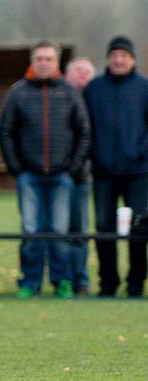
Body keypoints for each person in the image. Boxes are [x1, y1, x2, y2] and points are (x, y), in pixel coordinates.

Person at [0, 40, 90, 299]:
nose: (44, 63)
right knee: (31, 231)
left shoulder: (70, 92)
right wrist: (17, 167)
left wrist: (72, 168)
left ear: (57, 62)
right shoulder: (18, 92)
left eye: (49, 59)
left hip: (62, 176)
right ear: (32, 61)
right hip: (29, 176)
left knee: (60, 232)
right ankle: (30, 281)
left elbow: (84, 132)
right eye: (39, 58)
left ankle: (62, 281)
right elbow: (5, 132)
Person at [84, 36, 148, 297]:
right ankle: (108, 283)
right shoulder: (94, 88)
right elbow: (85, 127)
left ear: (132, 58)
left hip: (138, 173)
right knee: (104, 229)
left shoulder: (144, 88)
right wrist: (95, 156)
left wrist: (141, 152)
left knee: (139, 230)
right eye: (114, 55)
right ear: (109, 58)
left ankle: (135, 283)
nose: (119, 60)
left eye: (124, 55)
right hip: (104, 173)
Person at [64, 57, 96, 296]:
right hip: (57, 173)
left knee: (80, 230)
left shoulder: (96, 99)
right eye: (78, 72)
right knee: (55, 230)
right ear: (68, 76)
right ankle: (61, 279)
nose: (83, 76)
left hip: (82, 175)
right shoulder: (60, 97)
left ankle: (80, 280)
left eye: (87, 72)